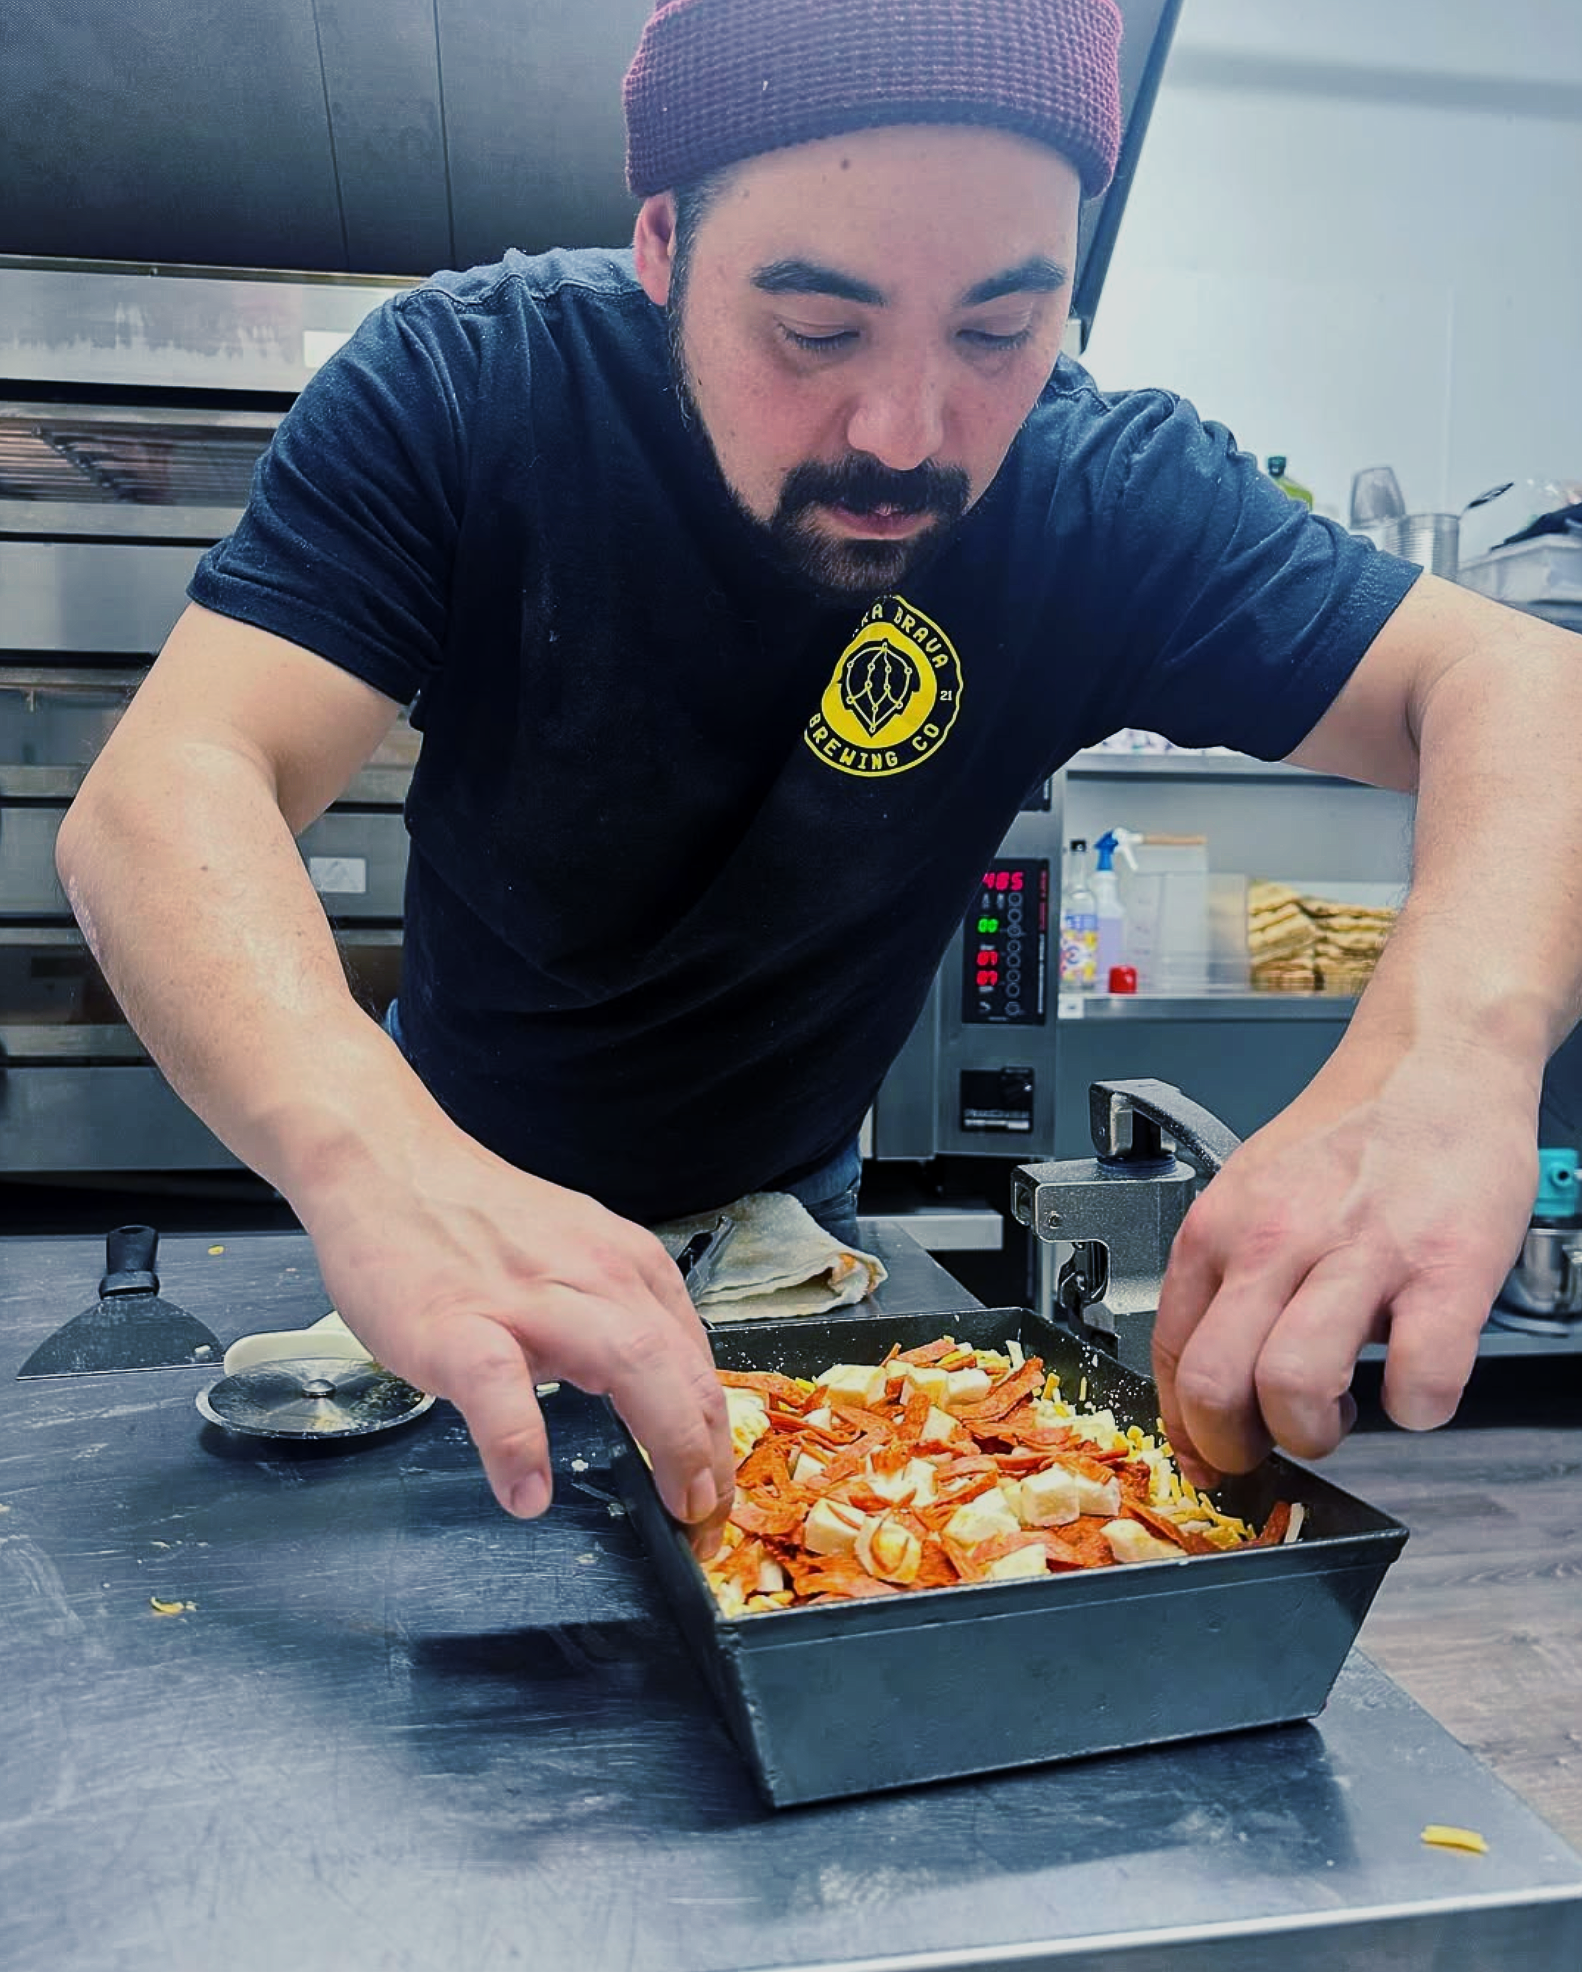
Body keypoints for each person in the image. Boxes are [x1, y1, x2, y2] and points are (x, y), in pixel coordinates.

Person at [55, 0, 1582, 1553]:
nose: (905, 433)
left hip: (792, 1219)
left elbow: (1526, 687)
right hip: (445, 1191)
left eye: (998, 330)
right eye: (816, 328)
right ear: (663, 250)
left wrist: (1448, 1054)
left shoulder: (1099, 494)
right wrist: (369, 1159)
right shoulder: (472, 388)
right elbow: (170, 785)